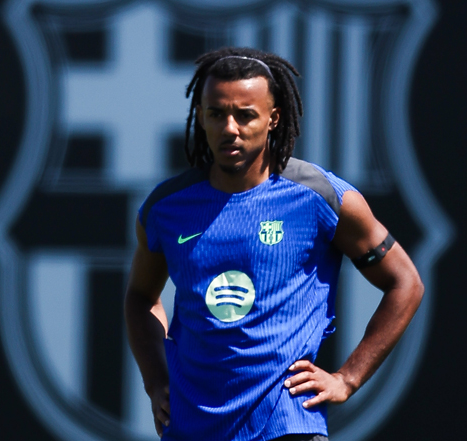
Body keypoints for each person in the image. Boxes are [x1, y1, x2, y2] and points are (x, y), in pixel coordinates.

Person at [124, 47, 424, 441]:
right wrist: (154, 380)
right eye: (216, 113)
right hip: (190, 427)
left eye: (245, 115)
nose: (229, 128)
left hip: (287, 425)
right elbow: (141, 297)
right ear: (200, 116)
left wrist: (347, 378)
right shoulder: (165, 208)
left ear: (273, 118)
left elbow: (405, 282)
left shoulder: (321, 197)